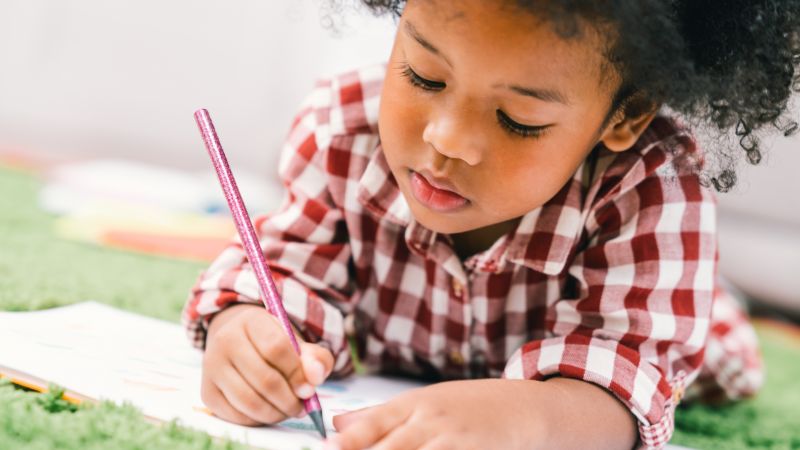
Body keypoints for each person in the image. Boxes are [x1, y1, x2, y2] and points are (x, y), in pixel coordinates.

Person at [183, 1, 798, 448]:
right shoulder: (341, 129)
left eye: (518, 118)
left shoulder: (653, 188)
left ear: (625, 115)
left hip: (664, 312)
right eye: (424, 76)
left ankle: (719, 296)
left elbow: (630, 378)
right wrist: (249, 331)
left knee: (721, 356)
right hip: (424, 346)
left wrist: (526, 418)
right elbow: (286, 267)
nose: (445, 140)